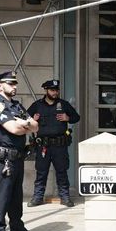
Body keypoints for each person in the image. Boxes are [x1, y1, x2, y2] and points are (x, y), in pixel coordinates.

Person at [0, 71, 39, 231]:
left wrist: (21, 123)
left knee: (16, 197)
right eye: (10, 83)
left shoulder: (17, 106)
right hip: (3, 159)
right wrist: (24, 125)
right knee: (1, 197)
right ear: (0, 86)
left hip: (17, 157)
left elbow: (35, 126)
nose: (14, 86)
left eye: (15, 83)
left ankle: (17, 229)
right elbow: (14, 129)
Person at [27, 79, 80, 208]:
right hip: (43, 145)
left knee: (62, 171)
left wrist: (68, 118)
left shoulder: (63, 104)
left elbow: (76, 117)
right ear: (46, 90)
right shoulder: (37, 105)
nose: (55, 93)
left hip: (60, 145)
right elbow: (24, 119)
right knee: (41, 172)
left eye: (56, 90)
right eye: (52, 90)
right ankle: (38, 197)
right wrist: (32, 120)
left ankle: (65, 197)